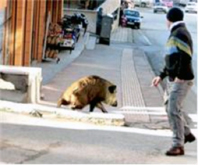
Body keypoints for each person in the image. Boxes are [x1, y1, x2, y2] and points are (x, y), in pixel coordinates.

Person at [151, 7, 196, 156]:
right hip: (174, 78)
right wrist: (161, 76)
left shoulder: (180, 33)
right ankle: (187, 133)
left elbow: (186, 57)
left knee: (173, 109)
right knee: (169, 106)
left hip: (181, 79)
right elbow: (171, 58)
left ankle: (178, 145)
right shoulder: (177, 32)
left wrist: (180, 76)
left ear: (169, 19)